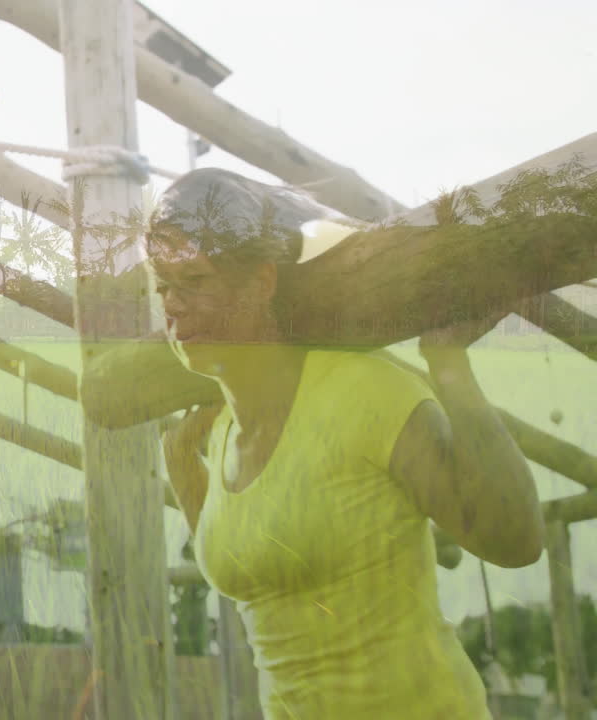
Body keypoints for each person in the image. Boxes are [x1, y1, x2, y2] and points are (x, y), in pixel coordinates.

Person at [143, 168, 544, 719]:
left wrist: (447, 363)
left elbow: (515, 539)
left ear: (261, 283)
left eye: (194, 281)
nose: (172, 306)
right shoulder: (216, 439)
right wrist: (180, 466)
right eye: (163, 286)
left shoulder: (364, 391)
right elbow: (256, 580)